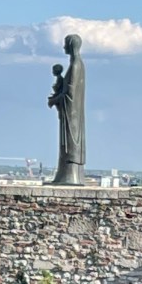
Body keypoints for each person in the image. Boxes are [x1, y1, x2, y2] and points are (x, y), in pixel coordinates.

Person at [47, 35, 86, 186]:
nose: (64, 47)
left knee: (70, 141)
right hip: (71, 111)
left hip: (72, 112)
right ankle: (65, 174)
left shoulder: (76, 65)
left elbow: (70, 92)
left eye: (65, 44)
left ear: (71, 45)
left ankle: (70, 175)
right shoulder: (76, 64)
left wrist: (54, 100)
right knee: (68, 142)